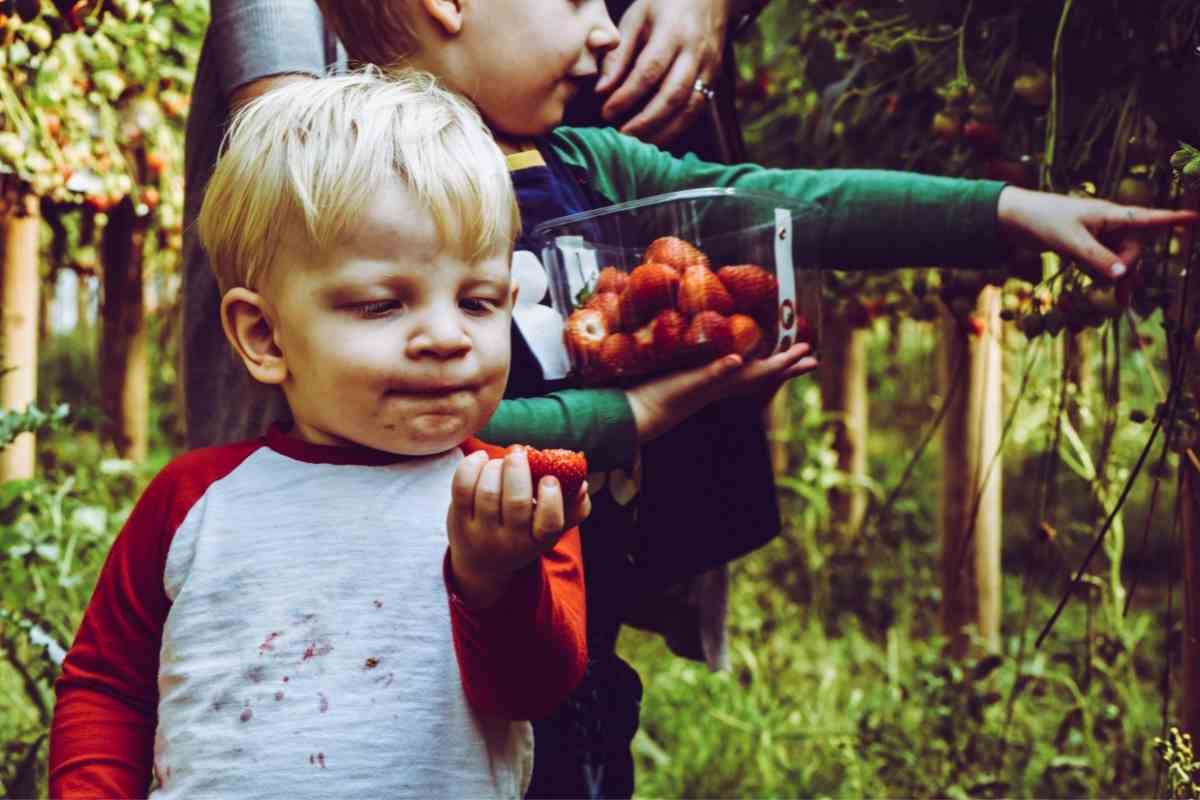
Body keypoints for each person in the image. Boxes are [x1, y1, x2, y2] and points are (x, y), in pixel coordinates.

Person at [311, 2, 1199, 798]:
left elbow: (776, 205)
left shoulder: (580, 160)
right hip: (421, 656)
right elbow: (409, 428)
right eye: (579, 0)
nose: (607, 31)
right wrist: (633, 419)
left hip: (577, 640)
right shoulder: (358, 191)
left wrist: (1004, 210)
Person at [49, 70, 599, 799]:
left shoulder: (505, 501)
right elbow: (108, 687)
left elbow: (532, 691)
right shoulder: (194, 502)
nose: (446, 337)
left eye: (478, 302)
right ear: (264, 335)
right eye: (381, 305)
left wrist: (496, 580)